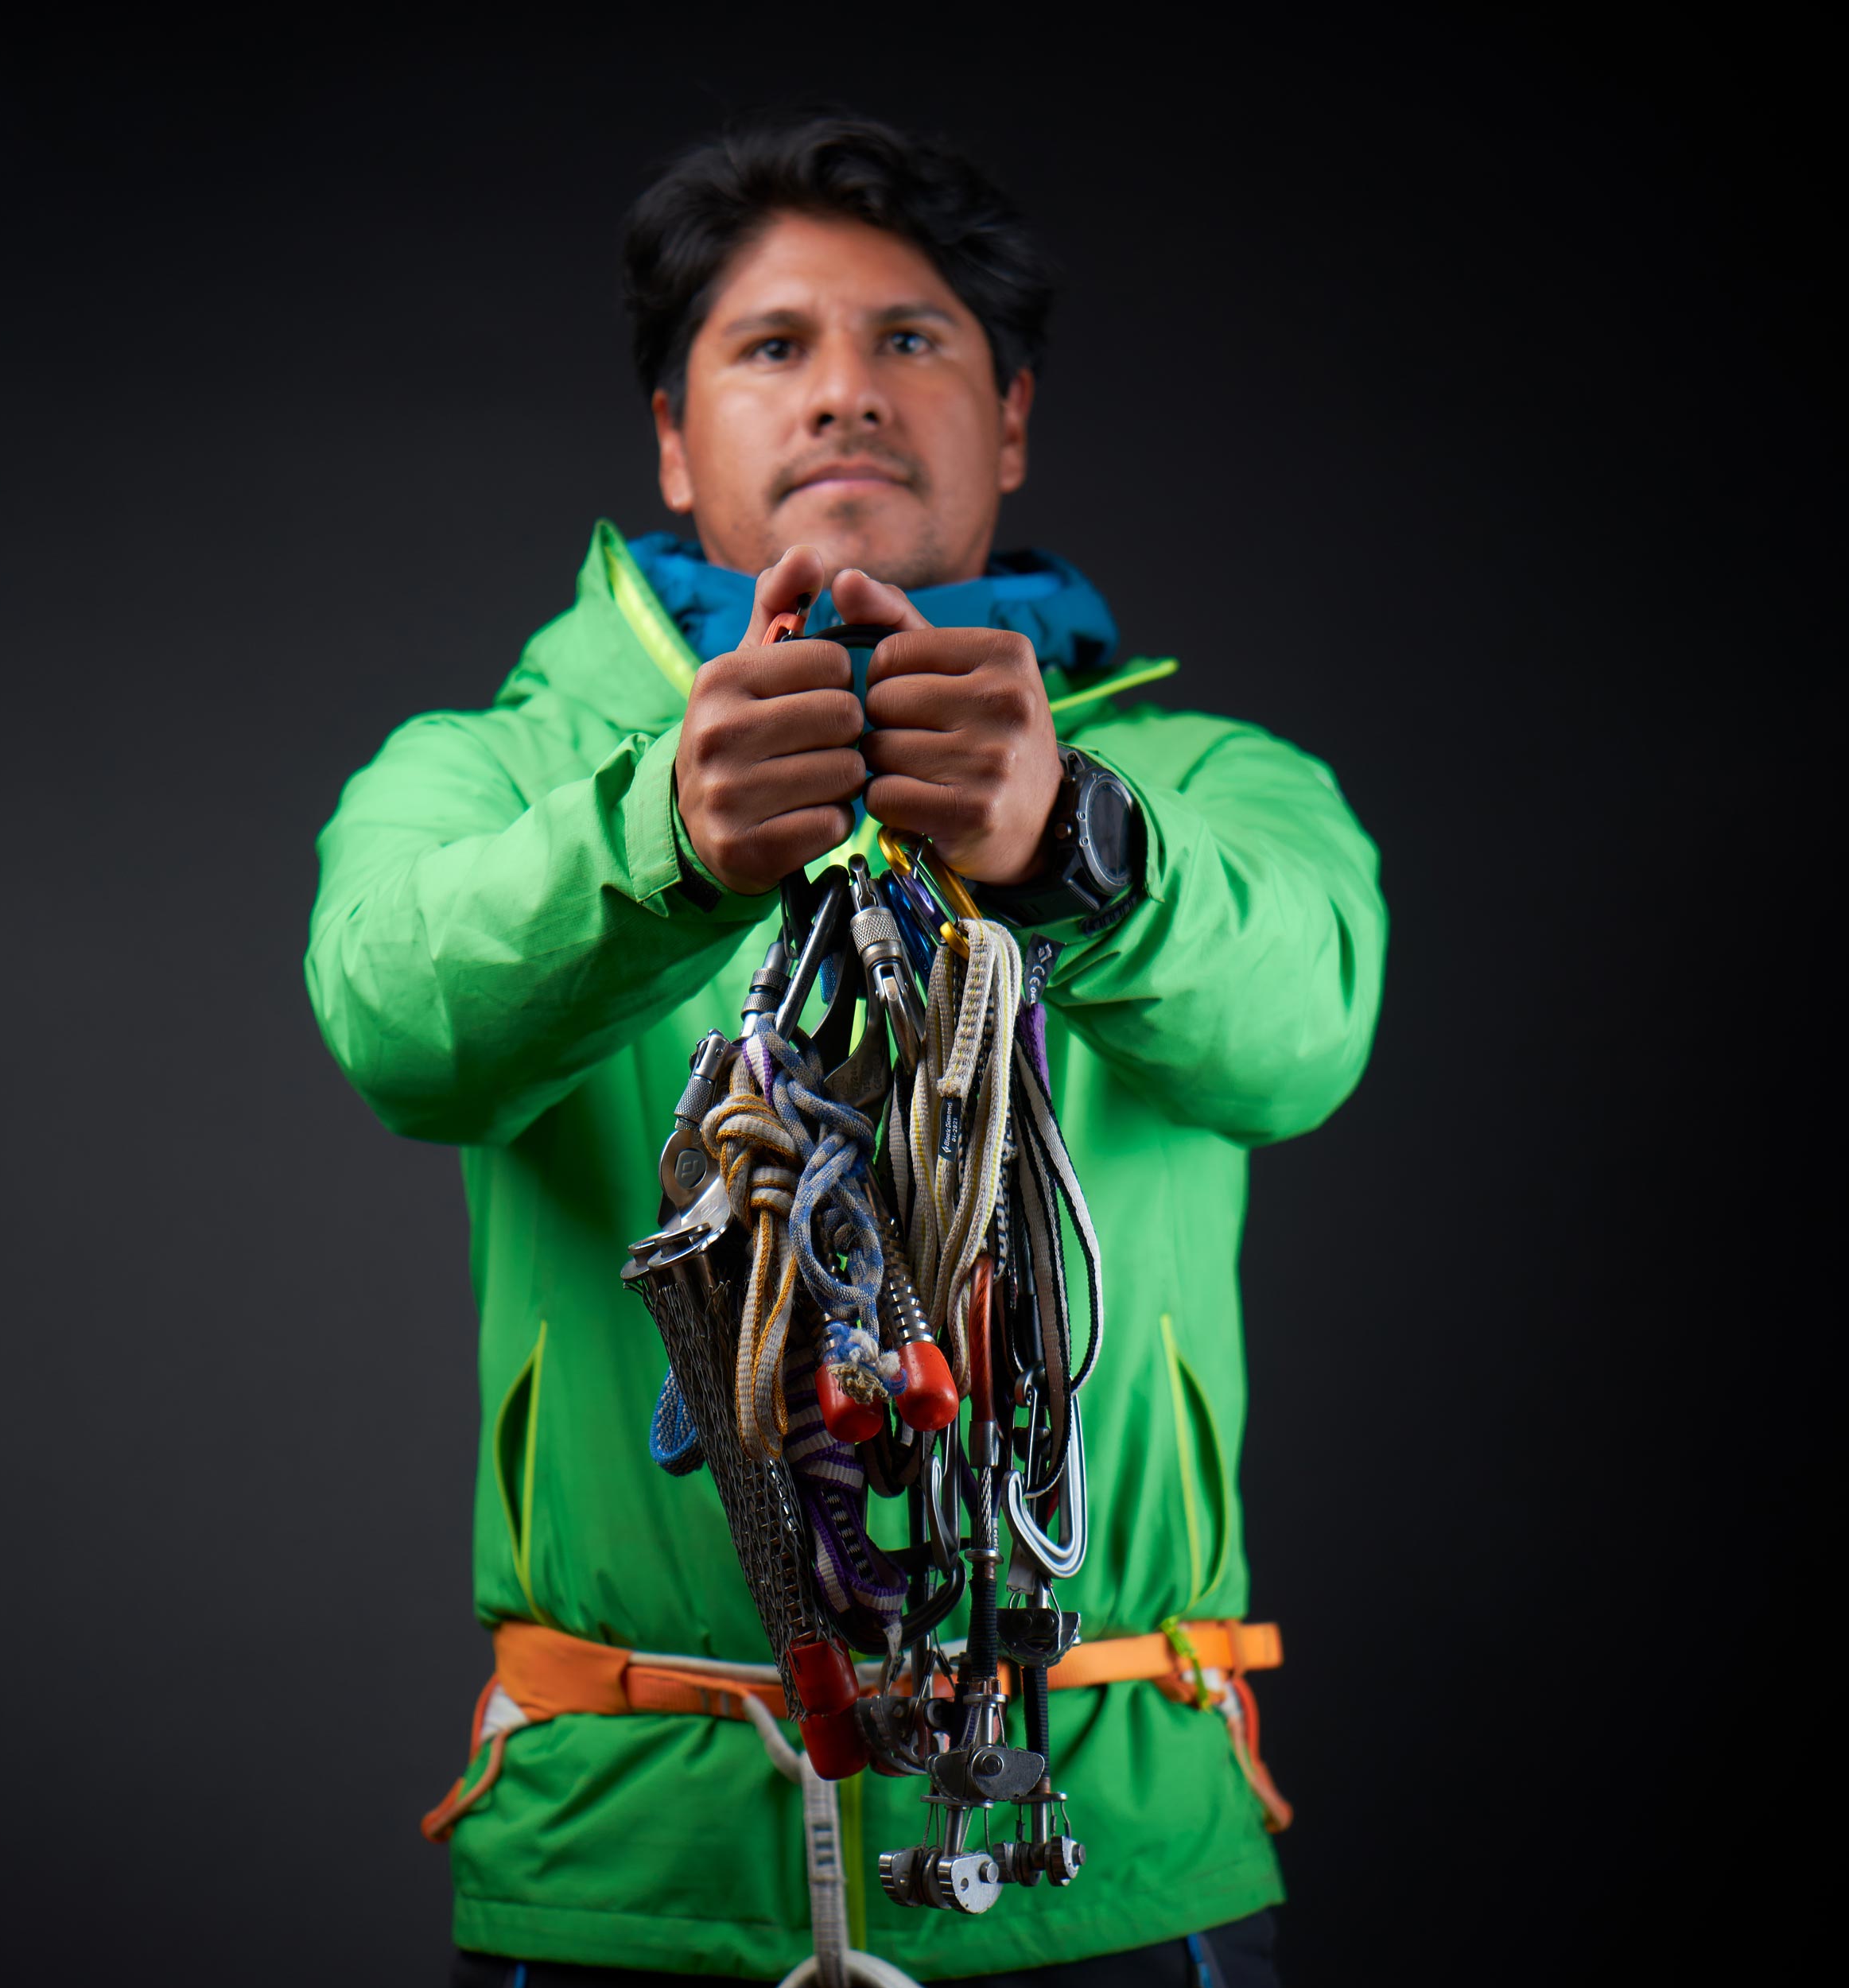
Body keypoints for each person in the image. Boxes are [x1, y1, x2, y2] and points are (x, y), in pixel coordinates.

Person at [308, 111, 1385, 1988]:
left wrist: (1081, 845)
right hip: (628, 1865)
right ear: (673, 434)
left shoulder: (1205, 782)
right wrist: (658, 841)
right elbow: (402, 1021)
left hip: (1108, 1855)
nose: (842, 392)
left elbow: (1299, 1023)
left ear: (1009, 418)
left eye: (908, 338)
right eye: (770, 343)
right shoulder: (490, 777)